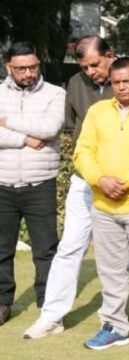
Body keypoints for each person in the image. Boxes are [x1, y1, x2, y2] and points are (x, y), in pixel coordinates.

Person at [24, 35, 129, 339]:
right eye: (84, 67)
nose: (90, 72)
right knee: (70, 246)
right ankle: (51, 316)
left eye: (95, 64)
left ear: (110, 55)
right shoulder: (75, 84)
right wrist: (96, 175)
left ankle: (126, 318)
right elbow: (75, 132)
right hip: (86, 181)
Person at [73, 57, 129, 354]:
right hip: (103, 206)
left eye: (127, 81)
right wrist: (100, 180)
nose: (122, 87)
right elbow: (82, 152)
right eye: (116, 82)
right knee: (111, 272)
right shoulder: (98, 111)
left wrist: (125, 183)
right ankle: (114, 327)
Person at [0, 42, 65, 326]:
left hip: (40, 183)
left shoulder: (55, 93)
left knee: (46, 249)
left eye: (33, 67)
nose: (28, 73)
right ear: (8, 67)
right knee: (1, 249)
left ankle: (48, 306)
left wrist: (6, 121)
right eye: (21, 68)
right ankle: (2, 303)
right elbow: (37, 132)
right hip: (2, 184)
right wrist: (25, 138)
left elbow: (49, 128)